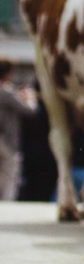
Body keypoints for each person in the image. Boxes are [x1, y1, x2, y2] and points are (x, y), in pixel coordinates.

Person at [0, 59, 38, 200]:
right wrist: (30, 97)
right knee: (10, 175)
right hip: (7, 139)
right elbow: (30, 111)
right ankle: (5, 205)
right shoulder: (7, 92)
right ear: (8, 73)